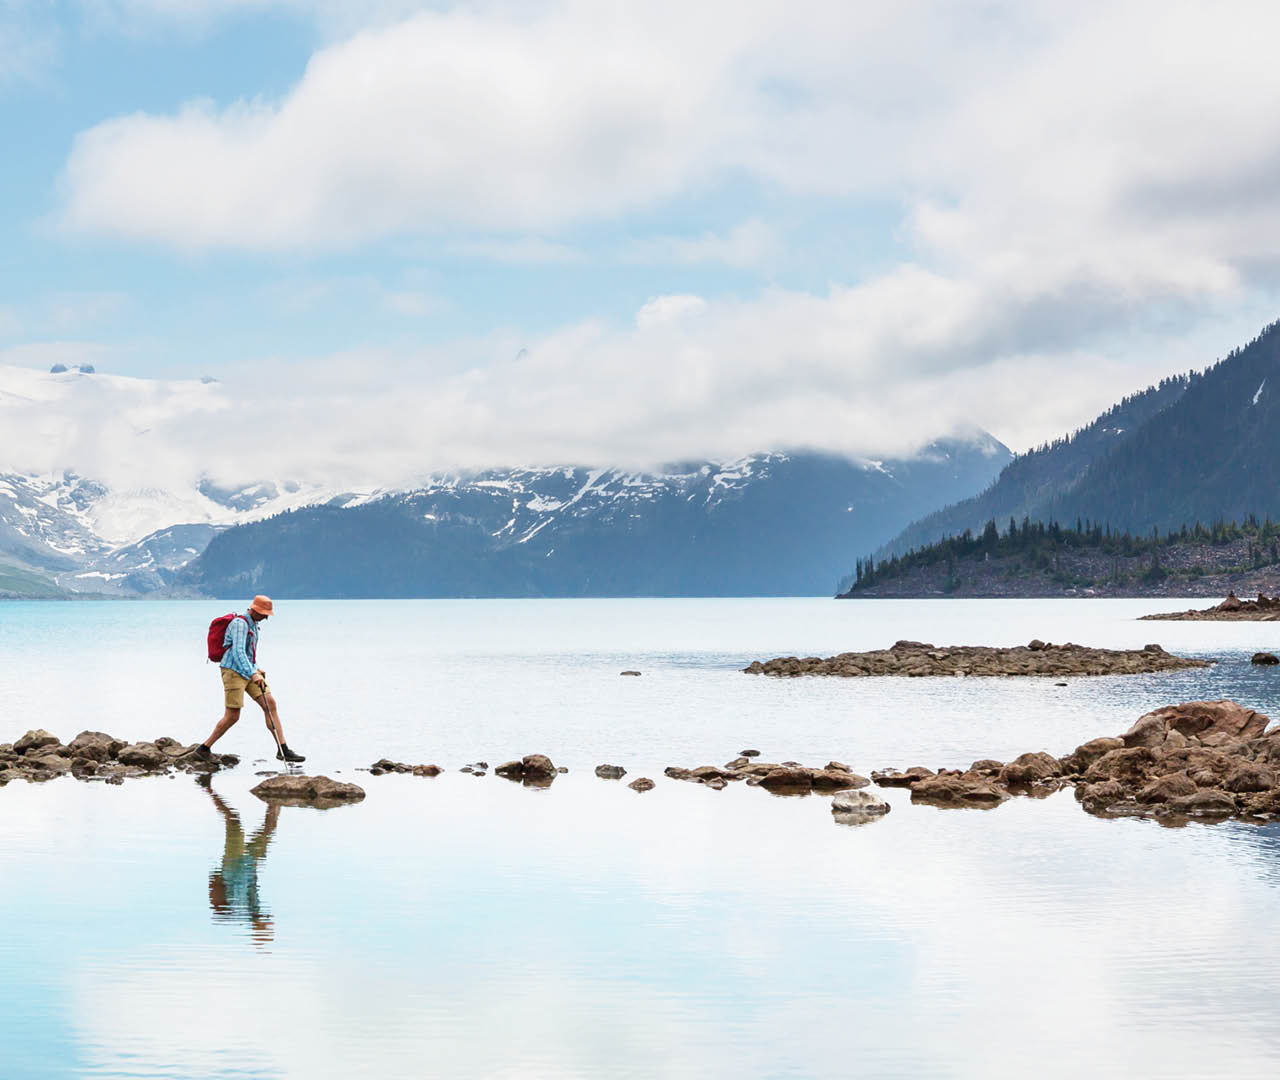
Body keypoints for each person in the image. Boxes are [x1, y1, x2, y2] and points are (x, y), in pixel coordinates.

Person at [195, 594, 305, 762]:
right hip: (232, 671)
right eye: (264, 613)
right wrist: (253, 674)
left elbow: (248, 653)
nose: (266, 617)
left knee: (270, 703)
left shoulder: (254, 624)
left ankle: (283, 750)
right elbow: (238, 652)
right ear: (254, 610)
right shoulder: (240, 624)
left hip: (248, 671)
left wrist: (256, 669)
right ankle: (204, 749)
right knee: (232, 716)